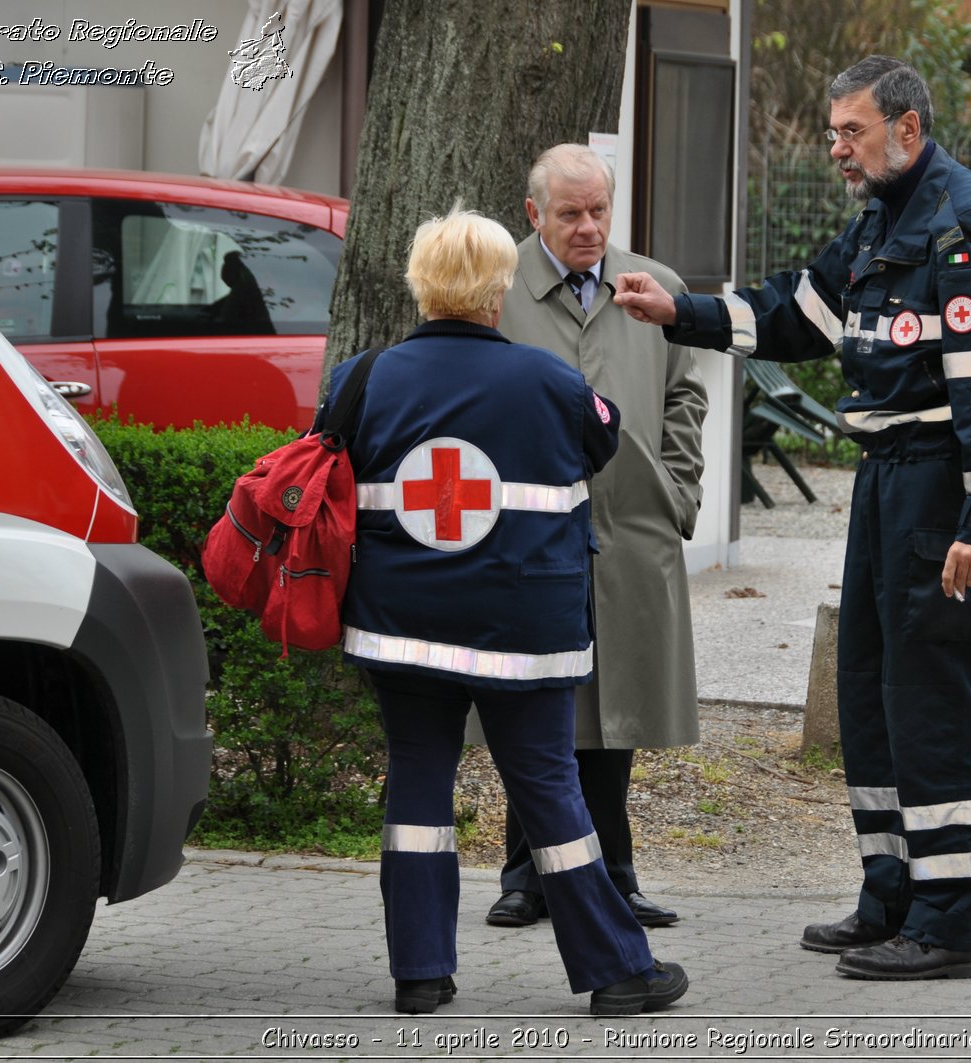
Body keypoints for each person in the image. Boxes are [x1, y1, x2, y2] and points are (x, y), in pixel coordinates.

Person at [615, 55, 971, 981]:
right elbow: (796, 314)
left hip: (939, 487)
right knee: (871, 686)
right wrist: (675, 311)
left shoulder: (967, 225)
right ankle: (890, 893)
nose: (837, 149)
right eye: (835, 133)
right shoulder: (883, 221)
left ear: (908, 129)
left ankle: (946, 921)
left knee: (933, 698)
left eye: (852, 132)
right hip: (888, 479)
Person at [328, 207, 689, 1017]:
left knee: (416, 787)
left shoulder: (363, 379)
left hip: (403, 629)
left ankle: (420, 973)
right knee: (551, 795)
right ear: (498, 293)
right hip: (523, 636)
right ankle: (615, 970)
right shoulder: (554, 382)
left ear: (420, 286)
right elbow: (604, 446)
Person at [478, 144, 708, 932]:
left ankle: (615, 868)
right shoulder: (495, 285)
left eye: (599, 211)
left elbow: (686, 395)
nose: (588, 228)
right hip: (527, 532)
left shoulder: (654, 286)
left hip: (633, 524)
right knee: (535, 697)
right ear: (533, 213)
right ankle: (524, 870)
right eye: (570, 213)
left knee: (617, 703)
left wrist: (678, 490)